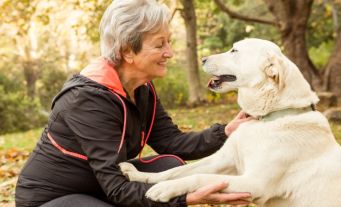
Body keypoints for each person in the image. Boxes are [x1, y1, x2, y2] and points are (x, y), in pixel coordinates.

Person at [15, 0, 252, 206]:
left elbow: (171, 143)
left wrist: (226, 132)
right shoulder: (87, 100)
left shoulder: (141, 87)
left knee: (170, 166)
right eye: (160, 45)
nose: (169, 52)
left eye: (169, 42)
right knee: (168, 189)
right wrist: (185, 198)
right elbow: (117, 189)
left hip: (101, 188)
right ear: (128, 51)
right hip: (52, 198)